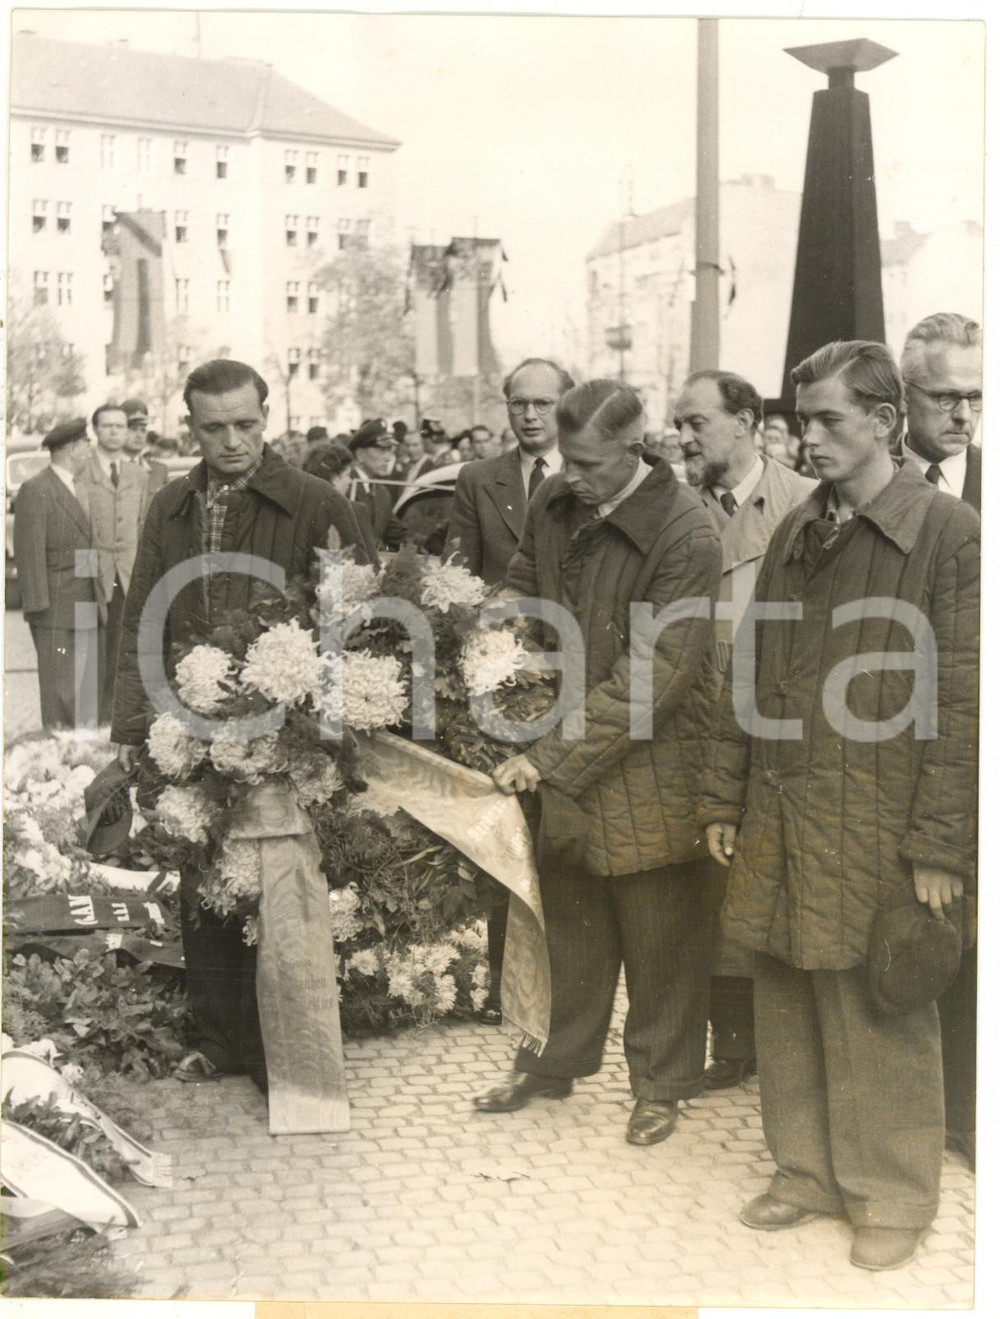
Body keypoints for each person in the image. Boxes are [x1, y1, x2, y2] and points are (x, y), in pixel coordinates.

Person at [701, 340, 978, 1271]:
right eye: (802, 419)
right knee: (785, 978)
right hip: (785, 801)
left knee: (879, 990)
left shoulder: (949, 532)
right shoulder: (796, 532)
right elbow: (751, 666)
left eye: (828, 419)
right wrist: (727, 793)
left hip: (885, 815)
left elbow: (970, 701)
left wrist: (943, 844)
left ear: (887, 422)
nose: (806, 436)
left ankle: (893, 1192)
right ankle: (807, 1171)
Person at [111, 358, 370, 1092]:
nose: (232, 440)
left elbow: (360, 611)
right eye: (214, 426)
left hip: (285, 729)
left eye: (246, 423)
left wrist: (322, 713)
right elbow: (143, 620)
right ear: (189, 426)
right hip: (189, 724)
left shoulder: (317, 501)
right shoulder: (169, 505)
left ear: (268, 415)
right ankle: (221, 1037)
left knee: (281, 884)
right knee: (206, 878)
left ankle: (282, 1048)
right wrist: (136, 730)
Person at [474, 379, 722, 1146]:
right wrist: (488, 643)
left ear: (635, 448)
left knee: (662, 941)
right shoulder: (557, 500)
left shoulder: (687, 533)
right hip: (570, 750)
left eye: (587, 463)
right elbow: (520, 585)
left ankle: (661, 1085)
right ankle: (550, 1061)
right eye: (565, 460)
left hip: (655, 764)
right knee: (571, 928)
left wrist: (544, 758)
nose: (570, 475)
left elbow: (654, 679)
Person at [675, 369, 816, 1091]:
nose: (683, 435)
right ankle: (727, 1040)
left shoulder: (801, 502)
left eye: (696, 421)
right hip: (691, 723)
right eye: (680, 422)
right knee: (703, 889)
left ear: (745, 422)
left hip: (770, 725)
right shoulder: (673, 504)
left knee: (756, 885)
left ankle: (767, 1040)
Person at [445, 357, 575, 1022]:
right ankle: (505, 983)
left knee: (570, 835)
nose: (529, 415)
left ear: (566, 407)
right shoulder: (479, 480)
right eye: (518, 403)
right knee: (505, 827)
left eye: (543, 403)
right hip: (504, 679)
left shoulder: (589, 475)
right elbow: (460, 579)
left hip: (576, 677)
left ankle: (569, 981)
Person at [899, 312, 982, 1170]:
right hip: (896, 749)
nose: (962, 414)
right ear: (904, 395)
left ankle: (969, 1113)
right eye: (945, 395)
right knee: (919, 936)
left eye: (975, 396)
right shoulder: (879, 490)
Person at [13, 419, 103, 729]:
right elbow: (29, 552)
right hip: (54, 606)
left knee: (84, 684)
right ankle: (58, 753)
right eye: (85, 444)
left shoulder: (79, 486)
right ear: (70, 449)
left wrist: (95, 592)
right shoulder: (36, 489)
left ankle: (84, 750)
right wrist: (39, 607)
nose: (90, 448)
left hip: (85, 600)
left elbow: (85, 546)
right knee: (59, 688)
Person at [76, 403, 149, 724]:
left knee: (123, 645)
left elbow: (143, 523)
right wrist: (83, 575)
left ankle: (118, 717)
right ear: (95, 431)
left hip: (128, 572)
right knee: (92, 648)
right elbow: (76, 529)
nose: (115, 432)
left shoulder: (138, 474)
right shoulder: (82, 472)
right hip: (93, 572)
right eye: (108, 426)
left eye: (121, 426)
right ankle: (91, 717)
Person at [347, 419, 406, 552]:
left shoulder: (382, 492)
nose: (388, 457)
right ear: (360, 454)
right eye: (381, 450)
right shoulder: (345, 487)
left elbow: (397, 536)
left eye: (389, 450)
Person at [121, 397, 170, 496]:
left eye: (143, 430)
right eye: (133, 429)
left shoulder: (159, 471)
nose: (139, 435)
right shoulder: (110, 469)